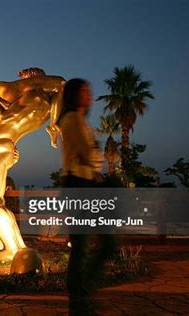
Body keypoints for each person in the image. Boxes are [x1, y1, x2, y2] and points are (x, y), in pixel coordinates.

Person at [58, 78, 116, 315]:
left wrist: (95, 156)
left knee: (105, 243)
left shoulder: (81, 122)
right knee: (81, 247)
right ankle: (78, 298)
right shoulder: (71, 120)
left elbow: (93, 158)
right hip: (77, 185)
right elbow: (88, 155)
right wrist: (95, 154)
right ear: (73, 94)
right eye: (83, 90)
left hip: (87, 185)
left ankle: (82, 292)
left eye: (89, 90)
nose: (88, 94)